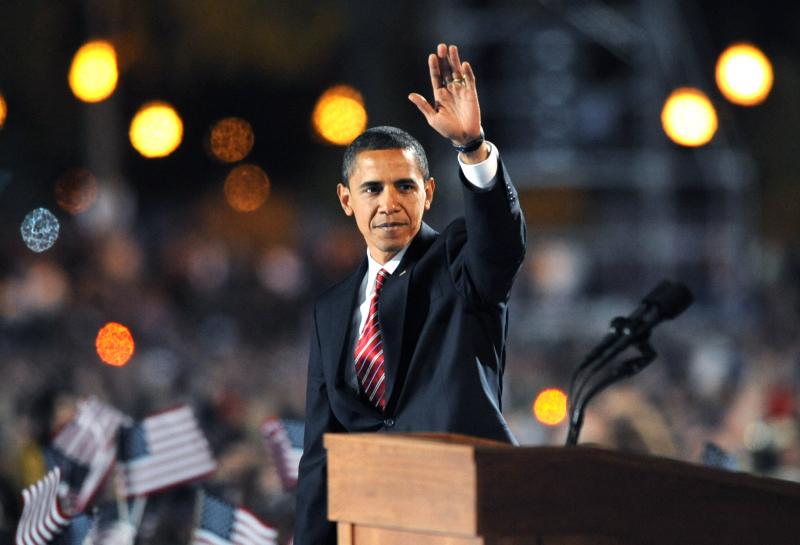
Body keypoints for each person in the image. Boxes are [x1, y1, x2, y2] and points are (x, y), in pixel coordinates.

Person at [294, 43, 526, 544]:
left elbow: (501, 244)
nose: (389, 202)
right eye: (372, 189)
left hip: (469, 511)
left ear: (429, 192)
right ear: (346, 200)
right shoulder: (330, 311)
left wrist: (473, 148)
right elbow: (322, 453)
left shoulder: (458, 262)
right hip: (378, 524)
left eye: (405, 186)